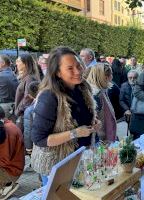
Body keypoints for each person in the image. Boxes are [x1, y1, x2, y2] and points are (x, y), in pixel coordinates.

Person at [30, 46, 99, 186]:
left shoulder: (83, 87)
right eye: (70, 68)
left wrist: (95, 122)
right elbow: (39, 139)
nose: (78, 71)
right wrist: (75, 133)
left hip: (81, 158)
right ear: (58, 73)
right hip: (57, 165)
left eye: (79, 65)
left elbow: (84, 117)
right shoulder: (49, 97)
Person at [87, 63, 117, 142]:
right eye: (111, 74)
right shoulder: (96, 95)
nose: (112, 77)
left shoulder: (102, 91)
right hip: (101, 141)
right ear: (105, 77)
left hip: (105, 137)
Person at [0, 106, 24, 199]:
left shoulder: (7, 131)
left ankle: (7, 185)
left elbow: (3, 160)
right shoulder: (6, 125)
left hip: (10, 171)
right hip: (11, 167)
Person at [14, 53, 40, 131]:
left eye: (18, 61)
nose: (16, 63)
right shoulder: (27, 77)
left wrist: (18, 110)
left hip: (24, 115)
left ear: (25, 64)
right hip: (24, 114)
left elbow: (28, 98)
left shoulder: (29, 78)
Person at [23, 81, 39, 154]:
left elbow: (28, 131)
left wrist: (29, 148)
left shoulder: (29, 111)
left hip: (37, 144)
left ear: (30, 95)